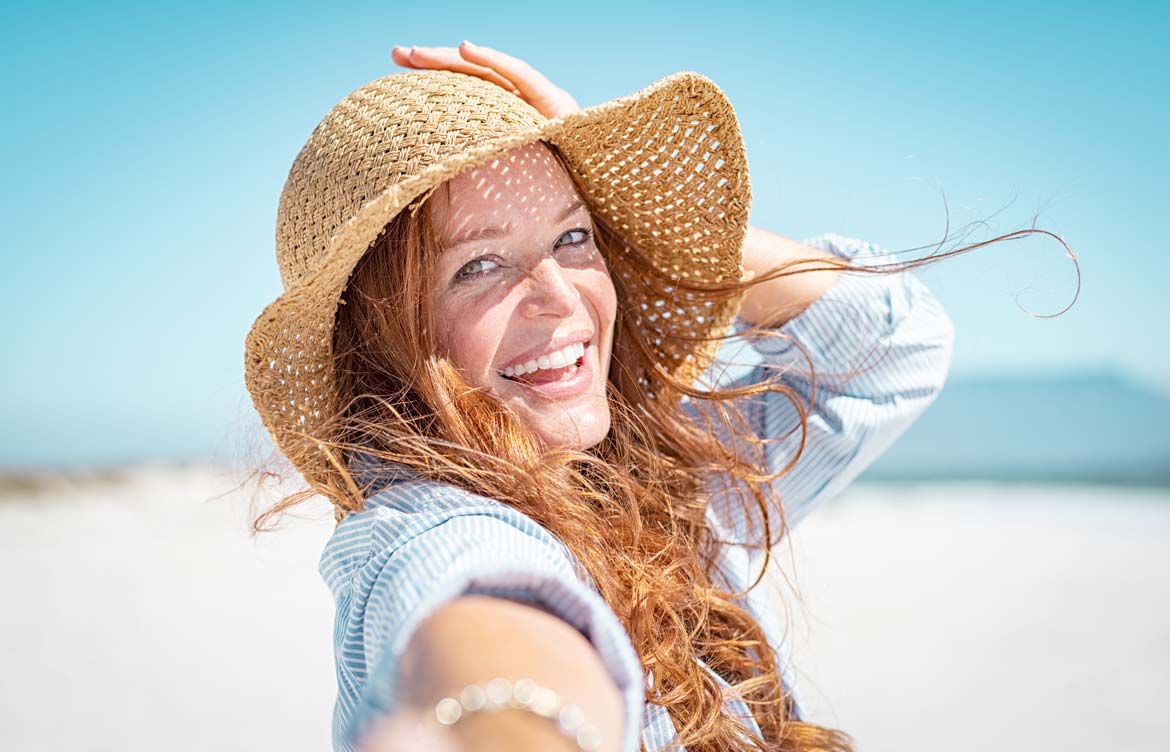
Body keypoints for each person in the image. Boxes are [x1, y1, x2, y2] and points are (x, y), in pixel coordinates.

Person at [243, 42, 1052, 752]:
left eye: (574, 236)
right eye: (478, 266)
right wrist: (515, 721)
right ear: (383, 335)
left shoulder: (663, 483)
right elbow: (485, 616)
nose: (560, 296)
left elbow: (895, 346)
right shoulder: (425, 527)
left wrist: (638, 216)